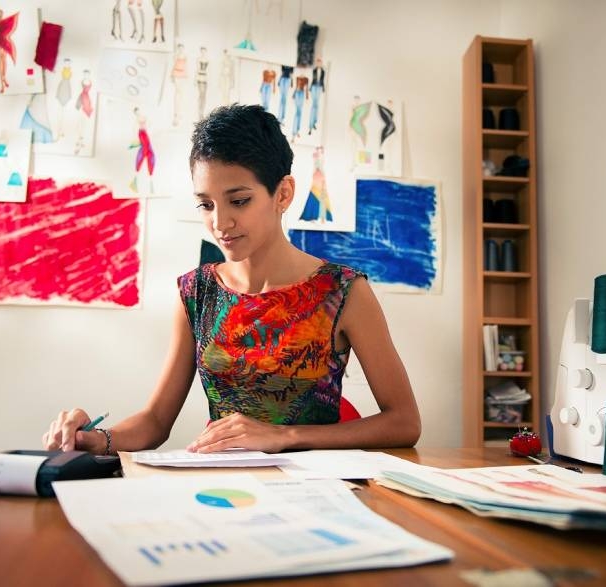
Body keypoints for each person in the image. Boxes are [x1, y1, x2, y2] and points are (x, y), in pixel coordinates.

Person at [42, 104, 421, 455]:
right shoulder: (196, 293)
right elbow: (156, 422)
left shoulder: (344, 292)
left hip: (318, 490)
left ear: (283, 193)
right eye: (206, 204)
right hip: (223, 483)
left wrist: (284, 436)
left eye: (238, 201)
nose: (220, 224)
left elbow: (404, 422)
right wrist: (92, 439)